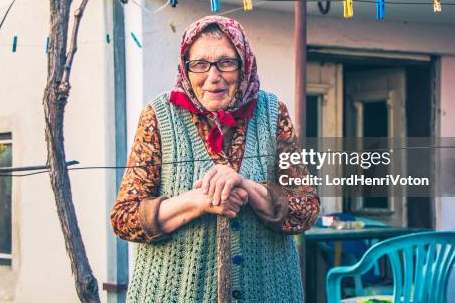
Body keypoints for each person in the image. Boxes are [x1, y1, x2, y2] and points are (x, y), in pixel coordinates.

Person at [111, 15, 320, 302]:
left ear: (243, 64)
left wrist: (246, 187)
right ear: (186, 67)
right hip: (173, 294)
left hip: (269, 292)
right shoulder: (158, 115)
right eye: (200, 64)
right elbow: (125, 218)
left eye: (226, 62)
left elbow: (306, 208)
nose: (213, 76)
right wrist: (200, 200)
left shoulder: (273, 112)